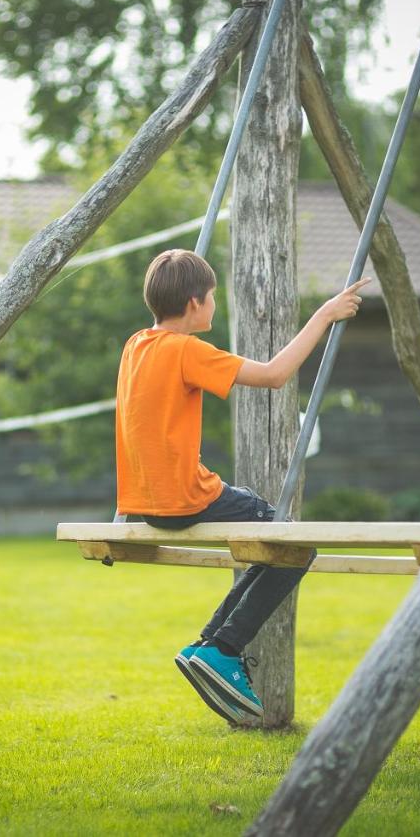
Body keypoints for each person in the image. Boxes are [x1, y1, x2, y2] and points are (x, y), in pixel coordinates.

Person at [115, 248, 370, 725]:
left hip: (145, 503)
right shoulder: (186, 349)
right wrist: (325, 314)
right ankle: (225, 648)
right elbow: (274, 376)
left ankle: (207, 646)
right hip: (186, 497)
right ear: (194, 303)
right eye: (212, 297)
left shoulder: (136, 345)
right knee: (294, 545)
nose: (215, 304)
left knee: (271, 544)